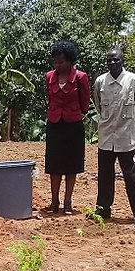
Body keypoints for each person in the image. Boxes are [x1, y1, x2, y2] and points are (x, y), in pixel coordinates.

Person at [92, 43, 135, 228]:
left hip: (127, 138)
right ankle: (103, 210)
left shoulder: (134, 80)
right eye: (109, 60)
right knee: (104, 177)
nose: (112, 62)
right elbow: (99, 106)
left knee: (133, 178)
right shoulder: (100, 82)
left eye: (116, 59)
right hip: (106, 137)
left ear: (122, 60)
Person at [45, 41, 90, 215]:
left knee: (72, 164)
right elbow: (49, 98)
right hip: (54, 125)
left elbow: (85, 104)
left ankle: (68, 202)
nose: (58, 65)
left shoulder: (80, 77)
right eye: (55, 62)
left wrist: (73, 112)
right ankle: (54, 202)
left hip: (73, 126)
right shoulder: (49, 76)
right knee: (54, 164)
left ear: (69, 60)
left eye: (61, 62)